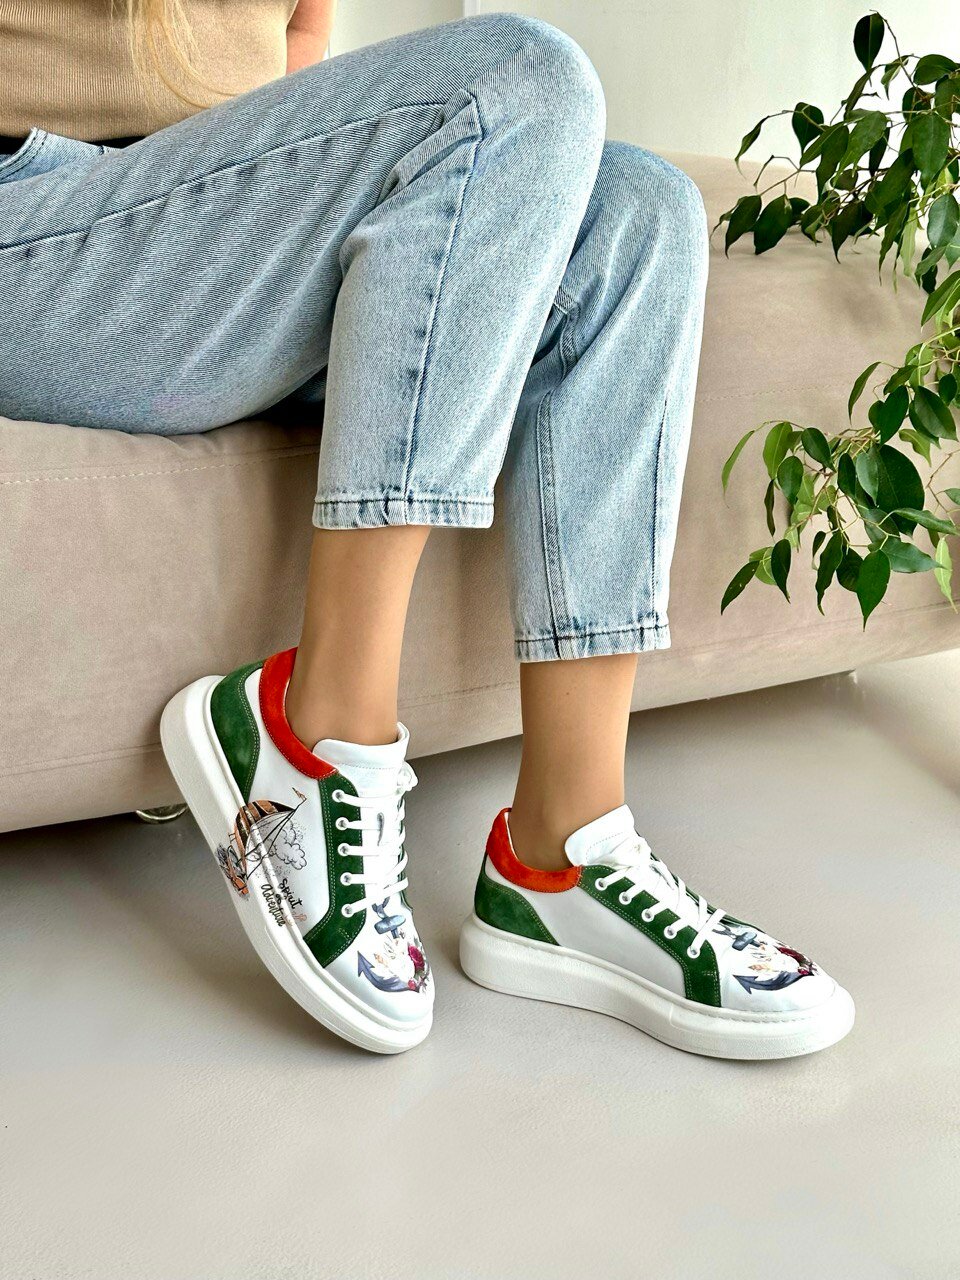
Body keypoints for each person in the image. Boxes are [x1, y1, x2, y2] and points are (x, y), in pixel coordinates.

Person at [0, 0, 854, 1059]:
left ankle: (562, 852)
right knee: (521, 72)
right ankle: (319, 725)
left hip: (202, 213)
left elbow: (293, 41)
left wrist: (282, 198)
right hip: (30, 223)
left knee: (638, 211)